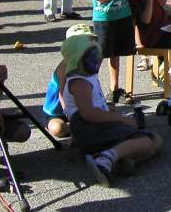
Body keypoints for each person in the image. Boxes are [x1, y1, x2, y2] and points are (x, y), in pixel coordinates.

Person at [60, 34, 162, 187]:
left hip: (95, 127)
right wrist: (121, 119)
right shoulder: (79, 82)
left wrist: (109, 110)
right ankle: (106, 159)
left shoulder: (87, 77)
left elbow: (92, 106)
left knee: (155, 141)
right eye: (91, 56)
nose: (98, 59)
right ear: (77, 59)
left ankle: (115, 160)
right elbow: (88, 113)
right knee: (148, 140)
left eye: (98, 54)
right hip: (91, 128)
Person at [42, 23, 99, 138]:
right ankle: (78, 127)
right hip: (57, 112)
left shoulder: (90, 62)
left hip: (80, 107)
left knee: (108, 113)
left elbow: (94, 86)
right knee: (58, 129)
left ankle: (85, 126)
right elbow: (62, 94)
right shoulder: (66, 65)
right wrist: (72, 117)